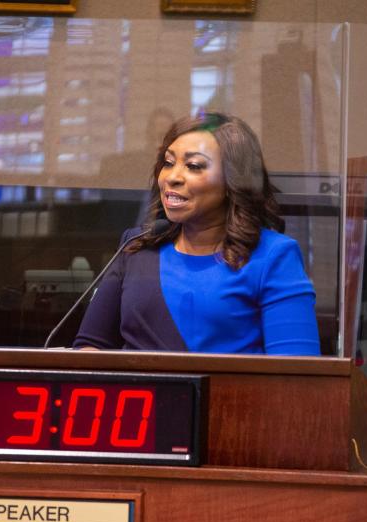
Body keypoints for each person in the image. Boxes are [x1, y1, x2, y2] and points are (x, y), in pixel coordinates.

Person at [73, 112, 321, 355]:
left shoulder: (273, 256)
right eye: (168, 163)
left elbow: (298, 378)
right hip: (144, 396)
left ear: (232, 181)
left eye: (193, 166)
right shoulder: (136, 246)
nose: (172, 177)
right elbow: (90, 346)